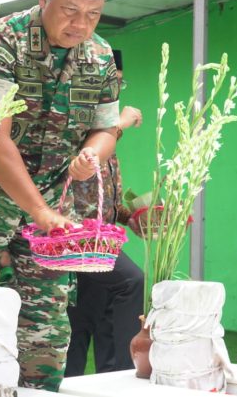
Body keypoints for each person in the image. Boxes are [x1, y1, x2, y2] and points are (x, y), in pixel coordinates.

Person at [0, 0, 120, 391]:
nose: (81, 24)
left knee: (46, 335)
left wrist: (93, 153)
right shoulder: (1, 40)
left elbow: (106, 129)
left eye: (94, 14)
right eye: (71, 10)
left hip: (51, 212)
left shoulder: (101, 57)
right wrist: (41, 212)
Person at [65, 50, 144, 376]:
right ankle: (126, 374)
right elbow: (80, 157)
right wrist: (118, 123)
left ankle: (111, 379)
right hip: (75, 235)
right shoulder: (76, 112)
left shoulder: (107, 127)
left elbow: (104, 198)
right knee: (130, 281)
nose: (116, 89)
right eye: (112, 81)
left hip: (98, 237)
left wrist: (131, 217)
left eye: (120, 82)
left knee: (86, 318)